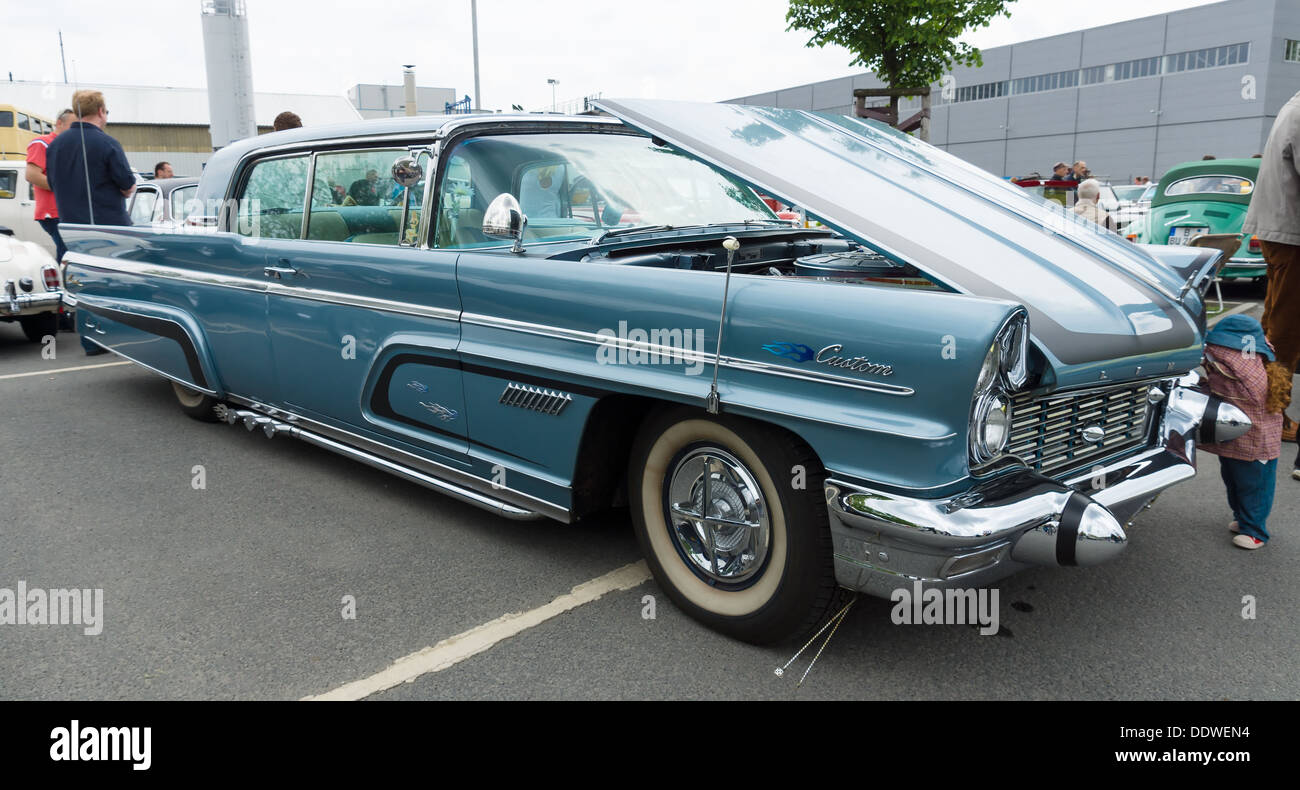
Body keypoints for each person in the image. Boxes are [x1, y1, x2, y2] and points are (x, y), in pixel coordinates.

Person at [1242, 88, 1300, 481]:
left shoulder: (1292, 103)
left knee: (1279, 324)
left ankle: (1267, 408)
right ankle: (1271, 411)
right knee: (1285, 330)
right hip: (1292, 232)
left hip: (1285, 229)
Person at [1200, 316, 1283, 549]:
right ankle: (1243, 518)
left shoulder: (1251, 371)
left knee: (1254, 487)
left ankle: (1256, 530)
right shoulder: (1247, 364)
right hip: (1236, 439)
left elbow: (1249, 385)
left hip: (1257, 444)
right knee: (1234, 480)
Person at [45, 90, 135, 226]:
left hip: (71, 227)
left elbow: (52, 184)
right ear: (100, 111)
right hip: (110, 228)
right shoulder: (108, 144)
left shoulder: (54, 146)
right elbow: (128, 187)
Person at [24, 108, 74, 262]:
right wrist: (65, 188)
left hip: (67, 211)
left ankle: (63, 283)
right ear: (59, 123)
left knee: (68, 253)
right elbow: (31, 175)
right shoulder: (42, 143)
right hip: (53, 212)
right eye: (73, 125)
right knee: (68, 254)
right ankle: (62, 284)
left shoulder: (70, 146)